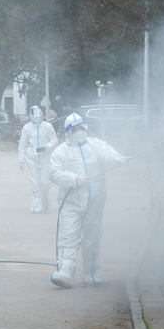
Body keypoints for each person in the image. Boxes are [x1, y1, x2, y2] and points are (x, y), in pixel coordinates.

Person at [48, 112, 126, 288]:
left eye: (81, 127)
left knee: (92, 238)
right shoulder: (61, 151)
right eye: (74, 128)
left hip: (95, 201)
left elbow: (107, 152)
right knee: (68, 236)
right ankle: (65, 272)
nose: (78, 131)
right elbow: (54, 173)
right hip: (70, 202)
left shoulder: (95, 145)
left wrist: (116, 158)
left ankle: (91, 273)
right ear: (68, 131)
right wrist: (74, 179)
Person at [18, 105, 58, 213]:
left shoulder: (48, 126)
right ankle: (37, 201)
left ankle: (44, 196)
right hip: (31, 158)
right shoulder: (27, 128)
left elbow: (54, 141)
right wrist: (21, 160)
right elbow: (22, 144)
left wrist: (46, 148)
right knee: (34, 181)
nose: (37, 117)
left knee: (45, 182)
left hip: (45, 158)